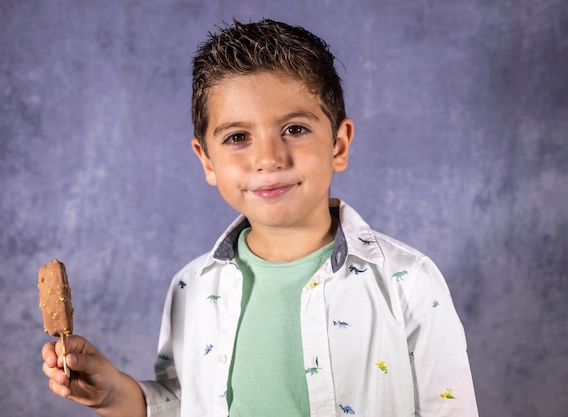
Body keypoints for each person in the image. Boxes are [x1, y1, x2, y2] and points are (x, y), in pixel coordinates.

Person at [42, 18, 478, 417]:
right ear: (207, 160)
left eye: (295, 129)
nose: (268, 158)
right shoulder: (190, 287)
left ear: (339, 145)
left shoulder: (408, 282)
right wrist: (113, 393)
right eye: (237, 137)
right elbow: (185, 401)